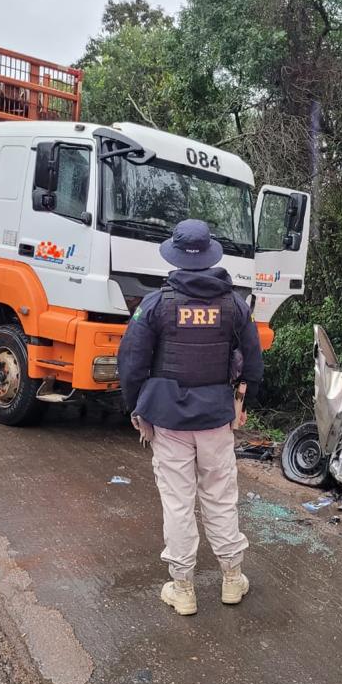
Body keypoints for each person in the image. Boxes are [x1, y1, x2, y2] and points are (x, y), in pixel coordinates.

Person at [117, 219, 264, 616]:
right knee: (220, 498)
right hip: (216, 417)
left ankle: (183, 588)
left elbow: (131, 361)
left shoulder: (155, 304)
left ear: (176, 257)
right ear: (211, 255)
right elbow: (253, 358)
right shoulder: (234, 304)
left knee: (179, 503)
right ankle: (232, 579)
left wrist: (136, 406)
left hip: (168, 420)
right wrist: (242, 400)